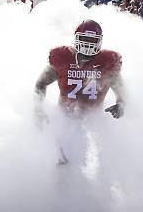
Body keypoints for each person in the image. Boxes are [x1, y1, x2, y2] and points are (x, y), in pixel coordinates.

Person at [34, 19, 126, 165]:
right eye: (85, 38)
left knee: (105, 162)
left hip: (93, 121)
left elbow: (121, 89)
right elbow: (40, 84)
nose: (88, 43)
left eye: (92, 39)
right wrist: (38, 109)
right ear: (76, 38)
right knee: (63, 162)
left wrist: (121, 104)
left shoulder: (108, 62)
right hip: (65, 118)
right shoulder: (63, 58)